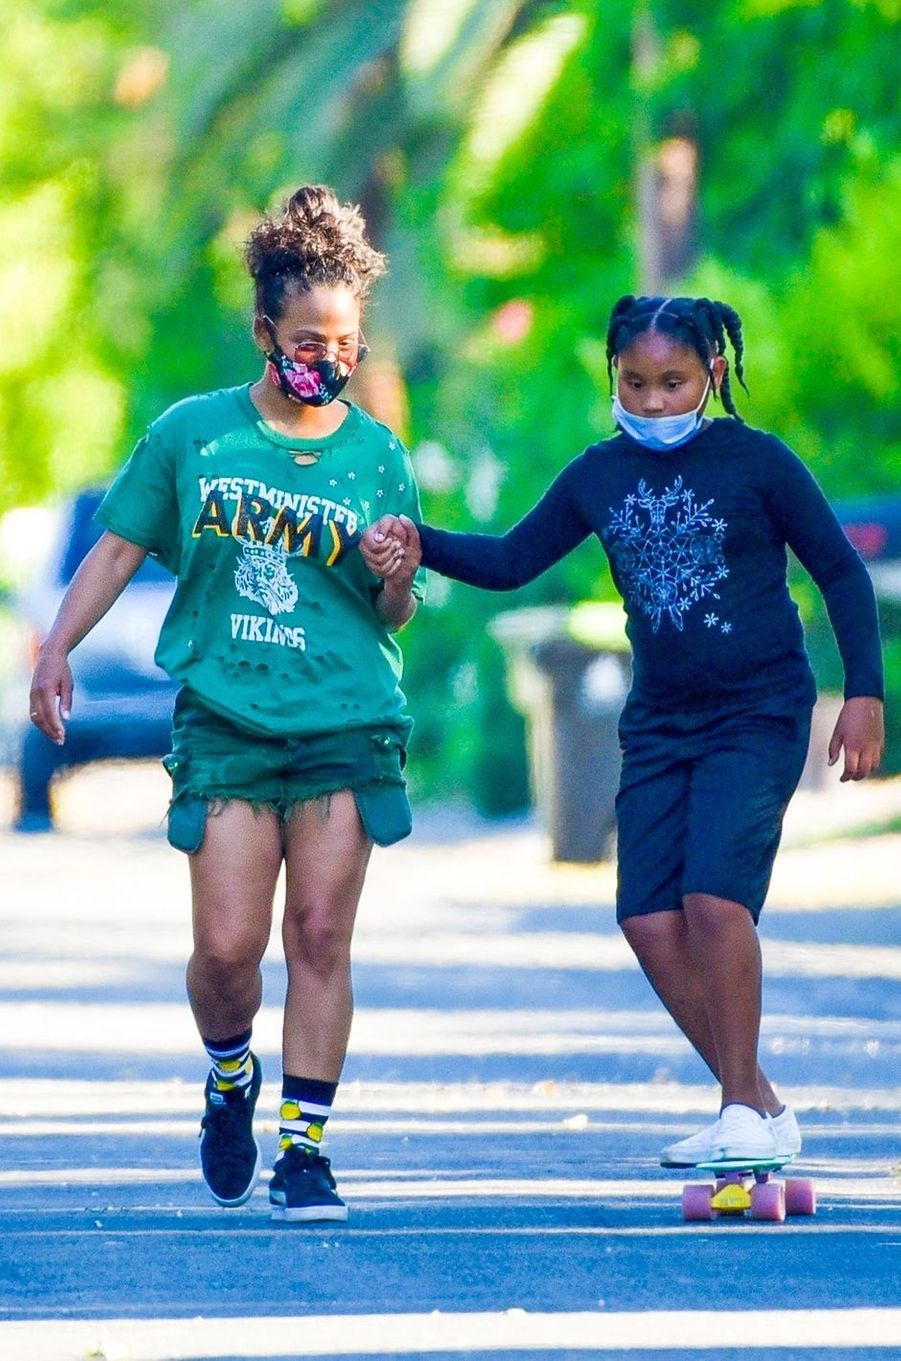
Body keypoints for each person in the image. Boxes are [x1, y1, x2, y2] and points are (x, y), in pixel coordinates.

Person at [361, 293, 885, 1167]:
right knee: (646, 917)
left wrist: (865, 694)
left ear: (711, 375)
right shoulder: (599, 475)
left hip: (758, 710)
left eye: (671, 383)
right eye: (633, 383)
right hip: (661, 719)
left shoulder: (757, 462)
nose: (650, 402)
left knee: (714, 901)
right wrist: (421, 540)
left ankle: (736, 1109)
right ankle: (756, 1102)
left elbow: (838, 570)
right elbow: (510, 559)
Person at [29, 184, 425, 1221]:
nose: (328, 358)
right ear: (263, 332)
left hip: (346, 720)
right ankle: (228, 1074)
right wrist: (56, 647)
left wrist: (393, 567)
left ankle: (305, 1150)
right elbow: (117, 544)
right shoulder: (192, 436)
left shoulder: (378, 454)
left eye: (345, 340)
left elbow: (397, 608)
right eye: (306, 338)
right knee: (225, 951)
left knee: (322, 936)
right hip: (228, 723)